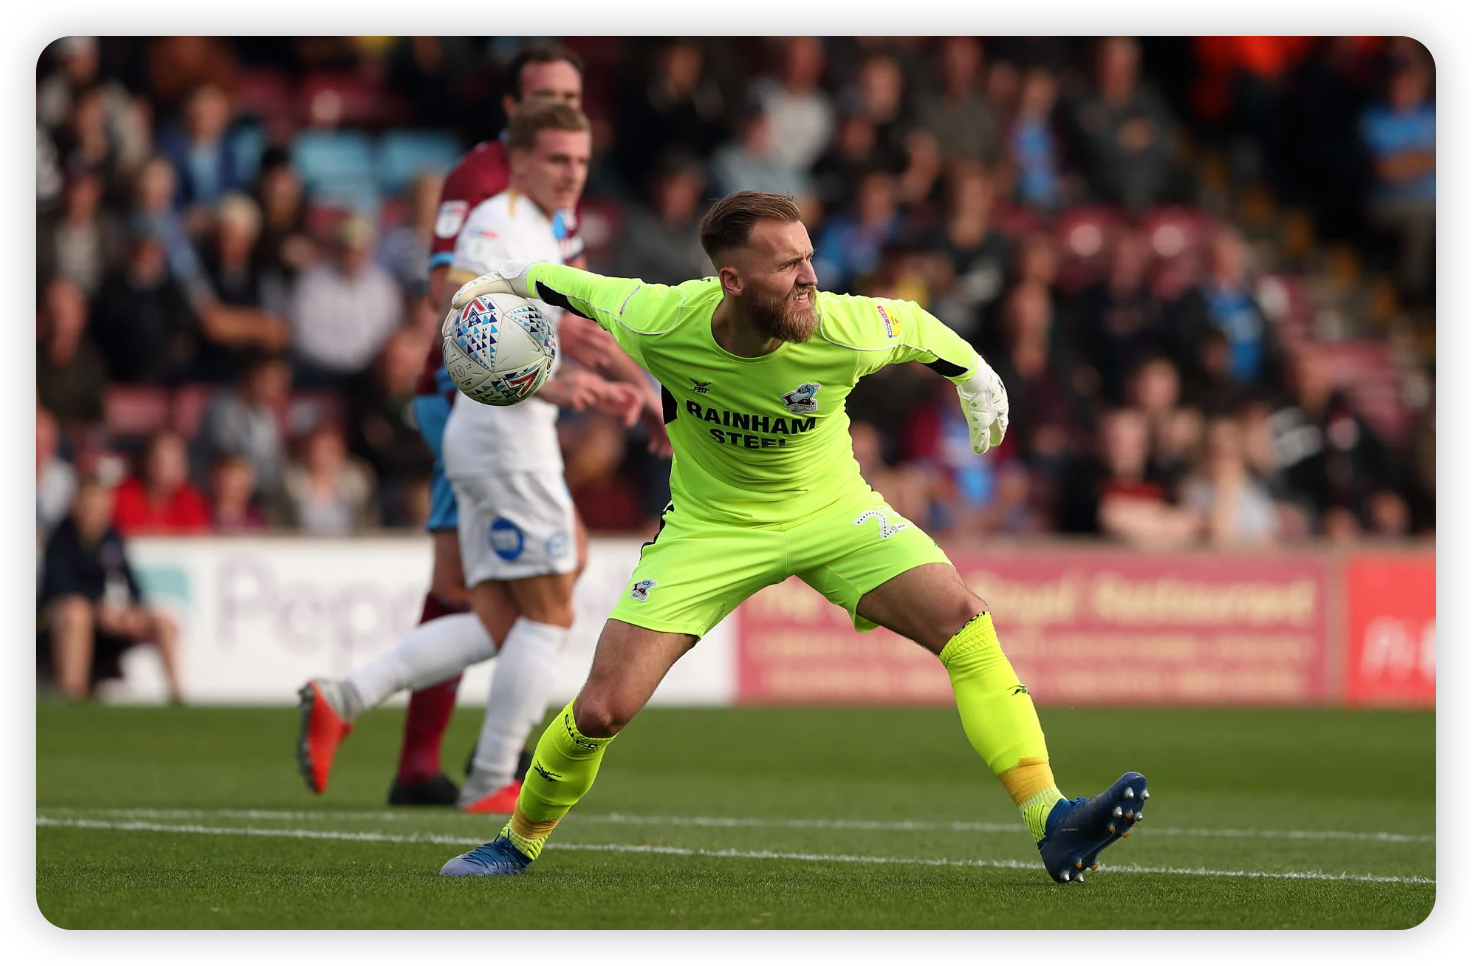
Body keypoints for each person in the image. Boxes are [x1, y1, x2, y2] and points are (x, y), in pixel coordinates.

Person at [431, 190, 1148, 882]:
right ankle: (515, 844)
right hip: (712, 528)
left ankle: (1052, 822)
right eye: (789, 266)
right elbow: (566, 284)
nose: (810, 277)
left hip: (832, 512)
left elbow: (918, 327)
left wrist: (976, 376)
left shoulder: (840, 326)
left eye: (809, 257)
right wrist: (491, 282)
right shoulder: (660, 319)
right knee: (600, 709)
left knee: (964, 621)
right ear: (732, 281)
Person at [298, 102, 664, 816]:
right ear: (519, 159)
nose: (572, 174)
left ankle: (343, 698)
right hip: (503, 434)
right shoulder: (495, 223)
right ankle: (492, 775)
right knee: (553, 609)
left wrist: (628, 389)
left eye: (582, 161)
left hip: (504, 434)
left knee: (506, 614)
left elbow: (555, 334)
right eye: (558, 159)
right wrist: (560, 385)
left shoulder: (546, 230)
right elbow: (459, 331)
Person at [382, 43, 594, 807]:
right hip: (470, 399)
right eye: (548, 99)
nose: (566, 112)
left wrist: (610, 379)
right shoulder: (484, 186)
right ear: (514, 114)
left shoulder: (550, 203)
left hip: (517, 405)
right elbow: (452, 292)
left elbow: (575, 310)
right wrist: (554, 369)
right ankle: (471, 765)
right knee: (488, 591)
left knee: (530, 582)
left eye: (574, 97)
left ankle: (361, 703)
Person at [39, 475, 183, 702]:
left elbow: (131, 581)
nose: (94, 515)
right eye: (90, 507)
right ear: (76, 505)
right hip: (63, 623)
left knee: (162, 619)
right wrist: (98, 607)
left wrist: (134, 610)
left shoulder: (111, 538)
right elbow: (56, 587)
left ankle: (177, 694)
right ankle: (73, 691)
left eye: (101, 508)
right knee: (78, 612)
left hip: (104, 619)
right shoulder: (60, 538)